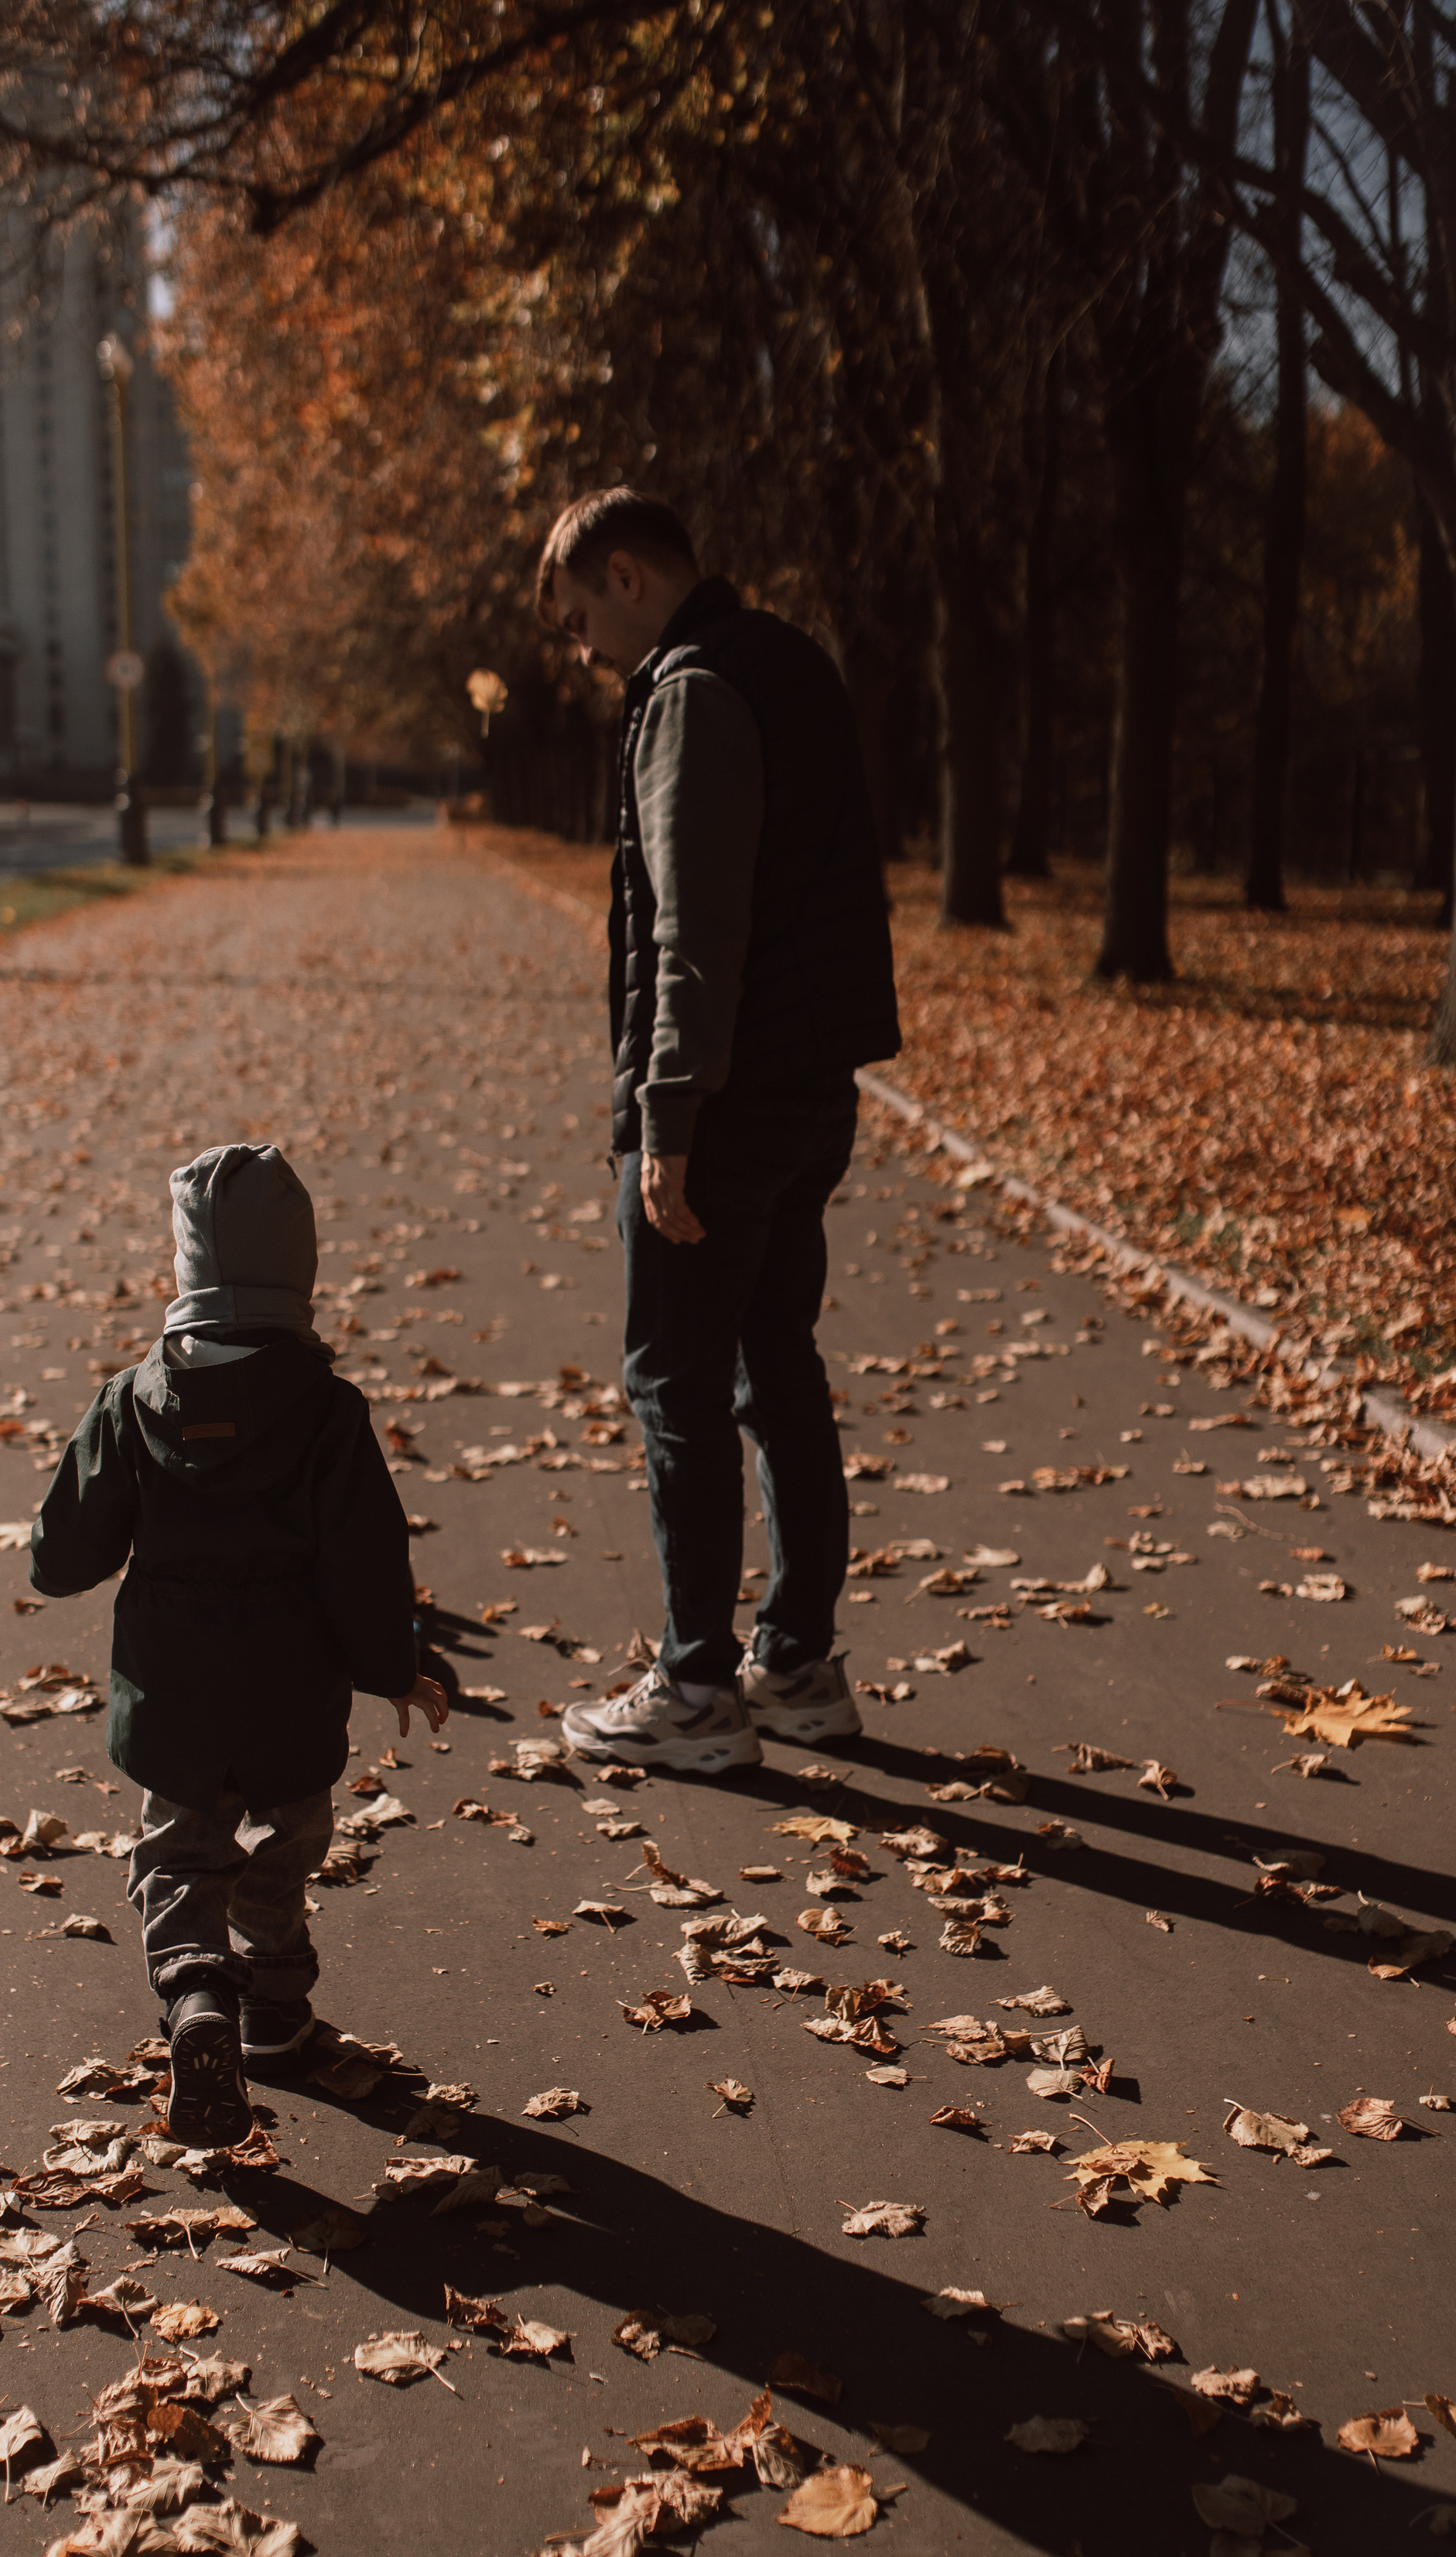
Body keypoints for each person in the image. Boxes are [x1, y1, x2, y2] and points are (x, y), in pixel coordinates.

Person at [538, 489, 901, 1775]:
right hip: (811, 1085)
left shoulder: (690, 692)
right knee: (775, 1363)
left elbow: (697, 928)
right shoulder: (791, 660)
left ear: (628, 577)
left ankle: (695, 1691)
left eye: (583, 617)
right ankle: (798, 1664)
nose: (582, 651)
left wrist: (667, 1115)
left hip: (730, 1096)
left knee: (674, 1382)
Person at [29, 1142, 448, 2145]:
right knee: (282, 1845)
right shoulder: (330, 1416)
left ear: (185, 1271)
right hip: (292, 1692)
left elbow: (64, 1554)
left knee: (179, 1852)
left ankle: (197, 1999)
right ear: (300, 1271)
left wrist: (58, 1552)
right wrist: (394, 1667)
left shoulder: (133, 1402)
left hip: (173, 1694)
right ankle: (274, 2013)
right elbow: (366, 1559)